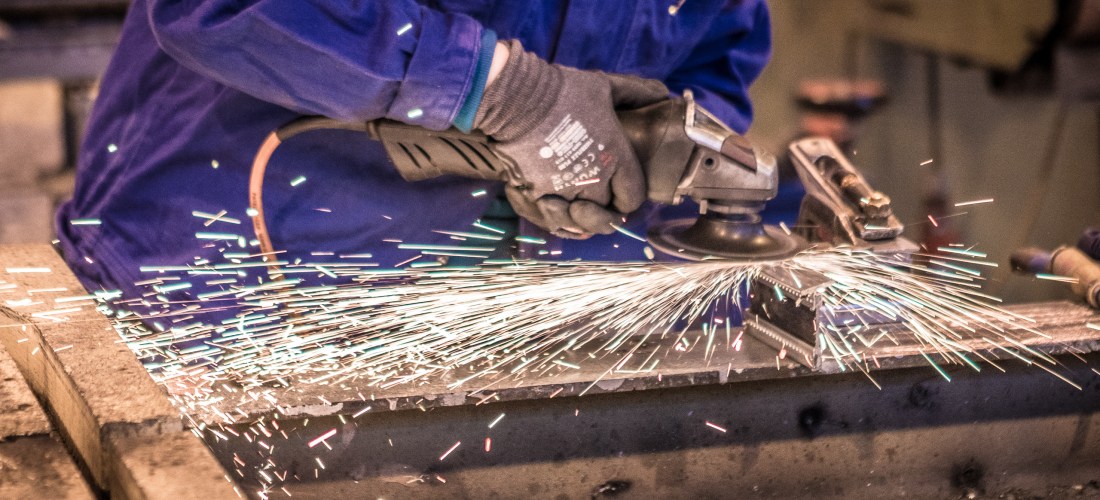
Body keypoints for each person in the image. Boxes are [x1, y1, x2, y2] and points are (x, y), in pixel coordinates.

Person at [56, 0, 772, 300]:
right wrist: (504, 92)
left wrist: (632, 170)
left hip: (504, 327)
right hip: (235, 282)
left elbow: (712, 55)